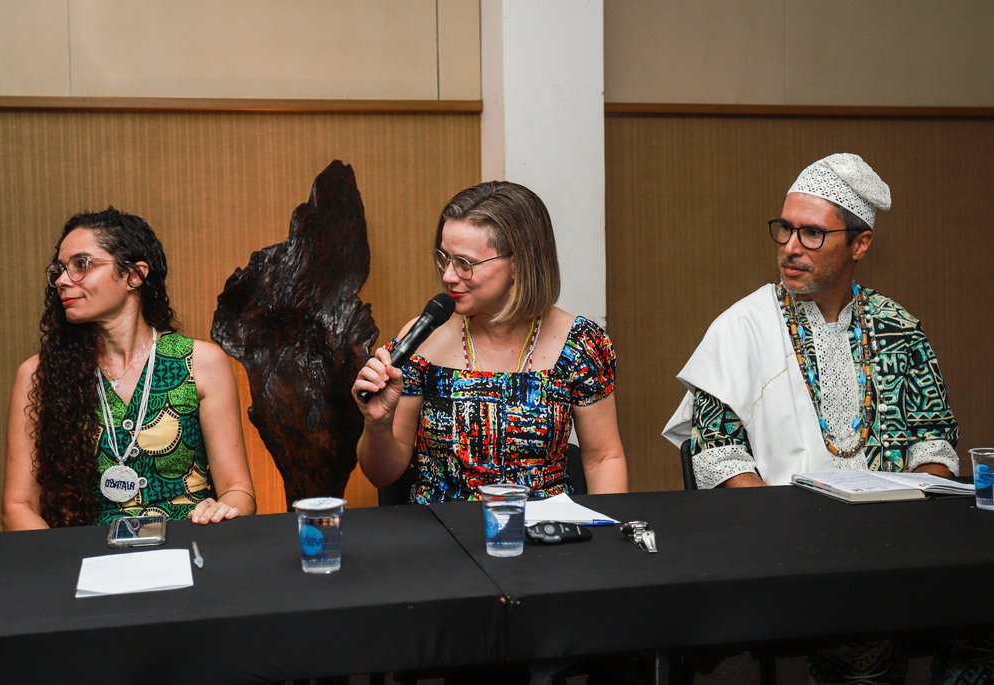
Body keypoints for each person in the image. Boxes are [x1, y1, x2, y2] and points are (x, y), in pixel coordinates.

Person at [664, 153, 990, 684]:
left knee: (980, 623)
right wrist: (798, 532)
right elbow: (717, 456)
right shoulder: (742, 326)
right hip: (789, 549)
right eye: (786, 230)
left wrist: (909, 509)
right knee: (866, 640)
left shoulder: (896, 326)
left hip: (897, 542)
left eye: (813, 234)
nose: (792, 247)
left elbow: (934, 441)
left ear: (859, 244)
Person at [353, 181, 628, 503]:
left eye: (465, 263)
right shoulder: (421, 341)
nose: (448, 276)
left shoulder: (580, 344)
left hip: (545, 534)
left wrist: (609, 538)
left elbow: (603, 458)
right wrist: (377, 424)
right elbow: (382, 474)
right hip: (441, 534)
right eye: (445, 258)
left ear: (519, 262)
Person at [3, 208, 256, 530]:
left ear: (134, 275)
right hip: (86, 559)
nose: (62, 281)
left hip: (187, 546)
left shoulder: (201, 362)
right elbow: (17, 506)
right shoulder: (38, 374)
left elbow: (240, 492)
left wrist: (221, 511)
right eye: (60, 269)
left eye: (81, 264)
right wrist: (63, 567)